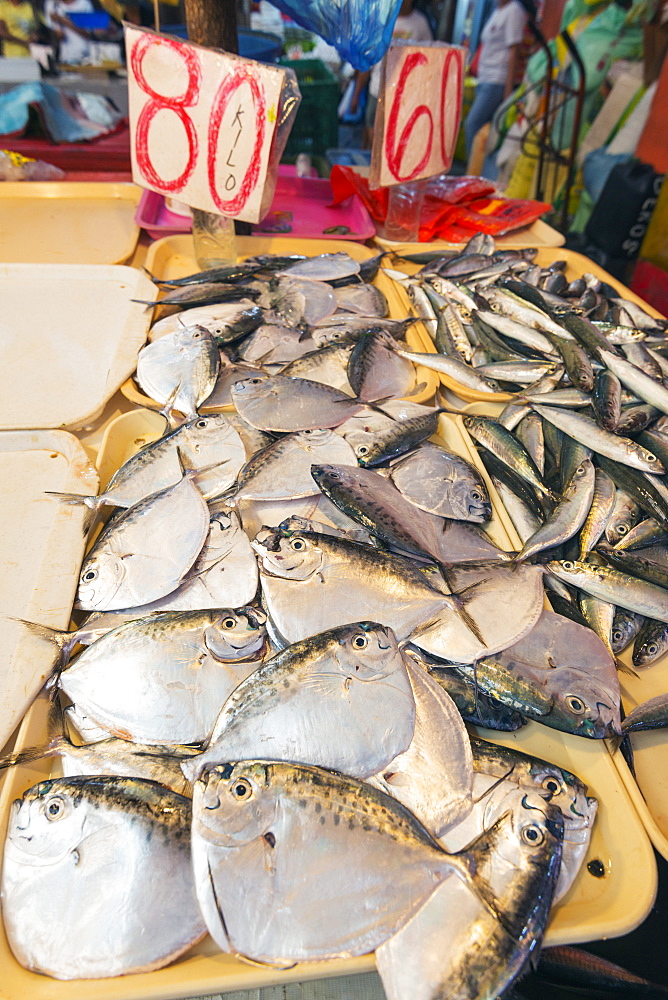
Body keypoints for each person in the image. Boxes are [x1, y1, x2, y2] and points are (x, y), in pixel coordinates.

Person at [349, 0, 433, 146]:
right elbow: (368, 63)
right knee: (373, 135)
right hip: (377, 91)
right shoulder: (380, 21)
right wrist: (356, 95)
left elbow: (429, 60)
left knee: (397, 141)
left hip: (406, 95)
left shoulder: (420, 23)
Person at [464, 0, 527, 160]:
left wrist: (507, 92)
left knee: (473, 124)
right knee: (485, 132)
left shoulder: (514, 10)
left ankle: (474, 174)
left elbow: (514, 51)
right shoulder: (498, 10)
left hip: (497, 81)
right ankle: (477, 172)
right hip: (484, 79)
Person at [43, 0, 95, 64]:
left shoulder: (84, 3)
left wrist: (62, 19)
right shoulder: (51, 4)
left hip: (84, 56)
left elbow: (88, 33)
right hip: (64, 58)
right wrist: (57, 33)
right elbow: (51, 31)